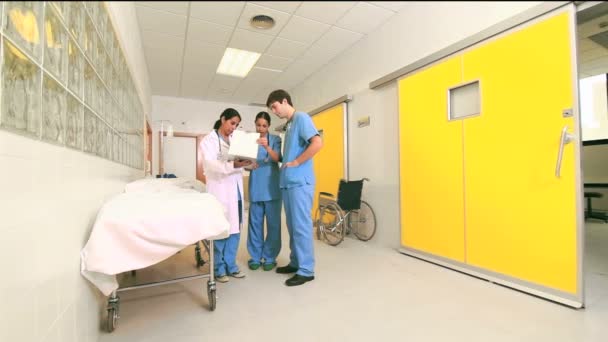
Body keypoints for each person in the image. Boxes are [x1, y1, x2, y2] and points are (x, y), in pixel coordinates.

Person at [266, 89, 323, 287]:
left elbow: (317, 143)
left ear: (284, 101)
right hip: (289, 183)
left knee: (301, 226)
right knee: (292, 226)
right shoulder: (289, 125)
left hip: (300, 183)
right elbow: (286, 156)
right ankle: (296, 262)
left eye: (274, 106)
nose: (274, 111)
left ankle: (306, 270)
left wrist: (298, 162)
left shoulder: (301, 117)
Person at [200, 108, 252, 283]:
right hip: (220, 190)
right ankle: (218, 268)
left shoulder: (235, 140)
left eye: (236, 125)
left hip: (236, 190)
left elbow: (238, 163)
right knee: (221, 229)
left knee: (235, 228)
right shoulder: (209, 141)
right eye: (232, 123)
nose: (233, 127)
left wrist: (248, 163)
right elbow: (210, 165)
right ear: (223, 119)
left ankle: (231, 266)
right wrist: (232, 164)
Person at [247, 112, 282, 272]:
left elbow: (278, 158)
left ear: (268, 126)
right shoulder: (248, 139)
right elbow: (242, 160)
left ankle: (269, 257)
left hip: (272, 186)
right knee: (255, 224)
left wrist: (266, 146)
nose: (261, 128)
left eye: (264, 125)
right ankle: (255, 257)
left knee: (273, 225)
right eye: (258, 125)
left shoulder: (275, 139)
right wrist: (248, 165)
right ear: (255, 124)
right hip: (256, 186)